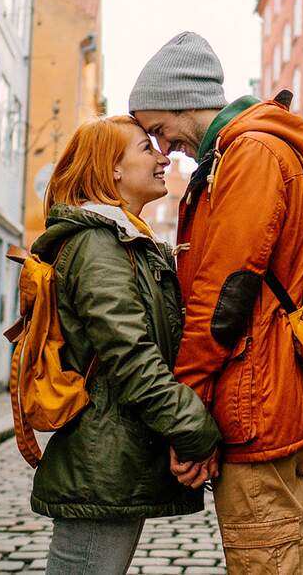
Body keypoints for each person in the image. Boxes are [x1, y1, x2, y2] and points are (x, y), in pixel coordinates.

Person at [130, 31, 303, 574]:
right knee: (280, 555)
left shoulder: (251, 155)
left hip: (253, 400)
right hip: (251, 393)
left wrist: (185, 412)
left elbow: (223, 296)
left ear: (183, 100)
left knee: (269, 561)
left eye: (158, 129)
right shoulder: (231, 157)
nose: (163, 148)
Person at [27, 115, 222, 575]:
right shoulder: (98, 243)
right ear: (112, 169)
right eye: (145, 149)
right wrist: (196, 431)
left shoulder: (126, 242)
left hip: (118, 454)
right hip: (102, 460)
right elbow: (131, 356)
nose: (163, 157)